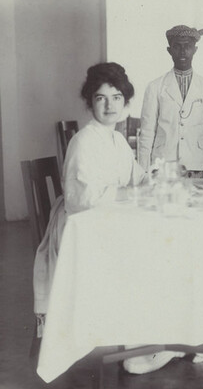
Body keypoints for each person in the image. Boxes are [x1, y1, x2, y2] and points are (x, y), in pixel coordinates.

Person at [31, 62, 146, 362]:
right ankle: (141, 340)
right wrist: (129, 192)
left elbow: (137, 177)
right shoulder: (83, 141)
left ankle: (147, 335)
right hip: (79, 229)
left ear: (125, 102)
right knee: (149, 247)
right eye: (101, 98)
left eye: (117, 98)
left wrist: (154, 179)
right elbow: (81, 198)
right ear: (89, 102)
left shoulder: (117, 140)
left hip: (102, 222)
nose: (110, 106)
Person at [138, 25, 203, 177]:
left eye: (187, 46)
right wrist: (143, 172)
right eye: (177, 46)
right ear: (169, 50)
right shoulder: (155, 87)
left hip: (194, 165)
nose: (183, 52)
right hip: (162, 166)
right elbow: (147, 133)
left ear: (195, 50)